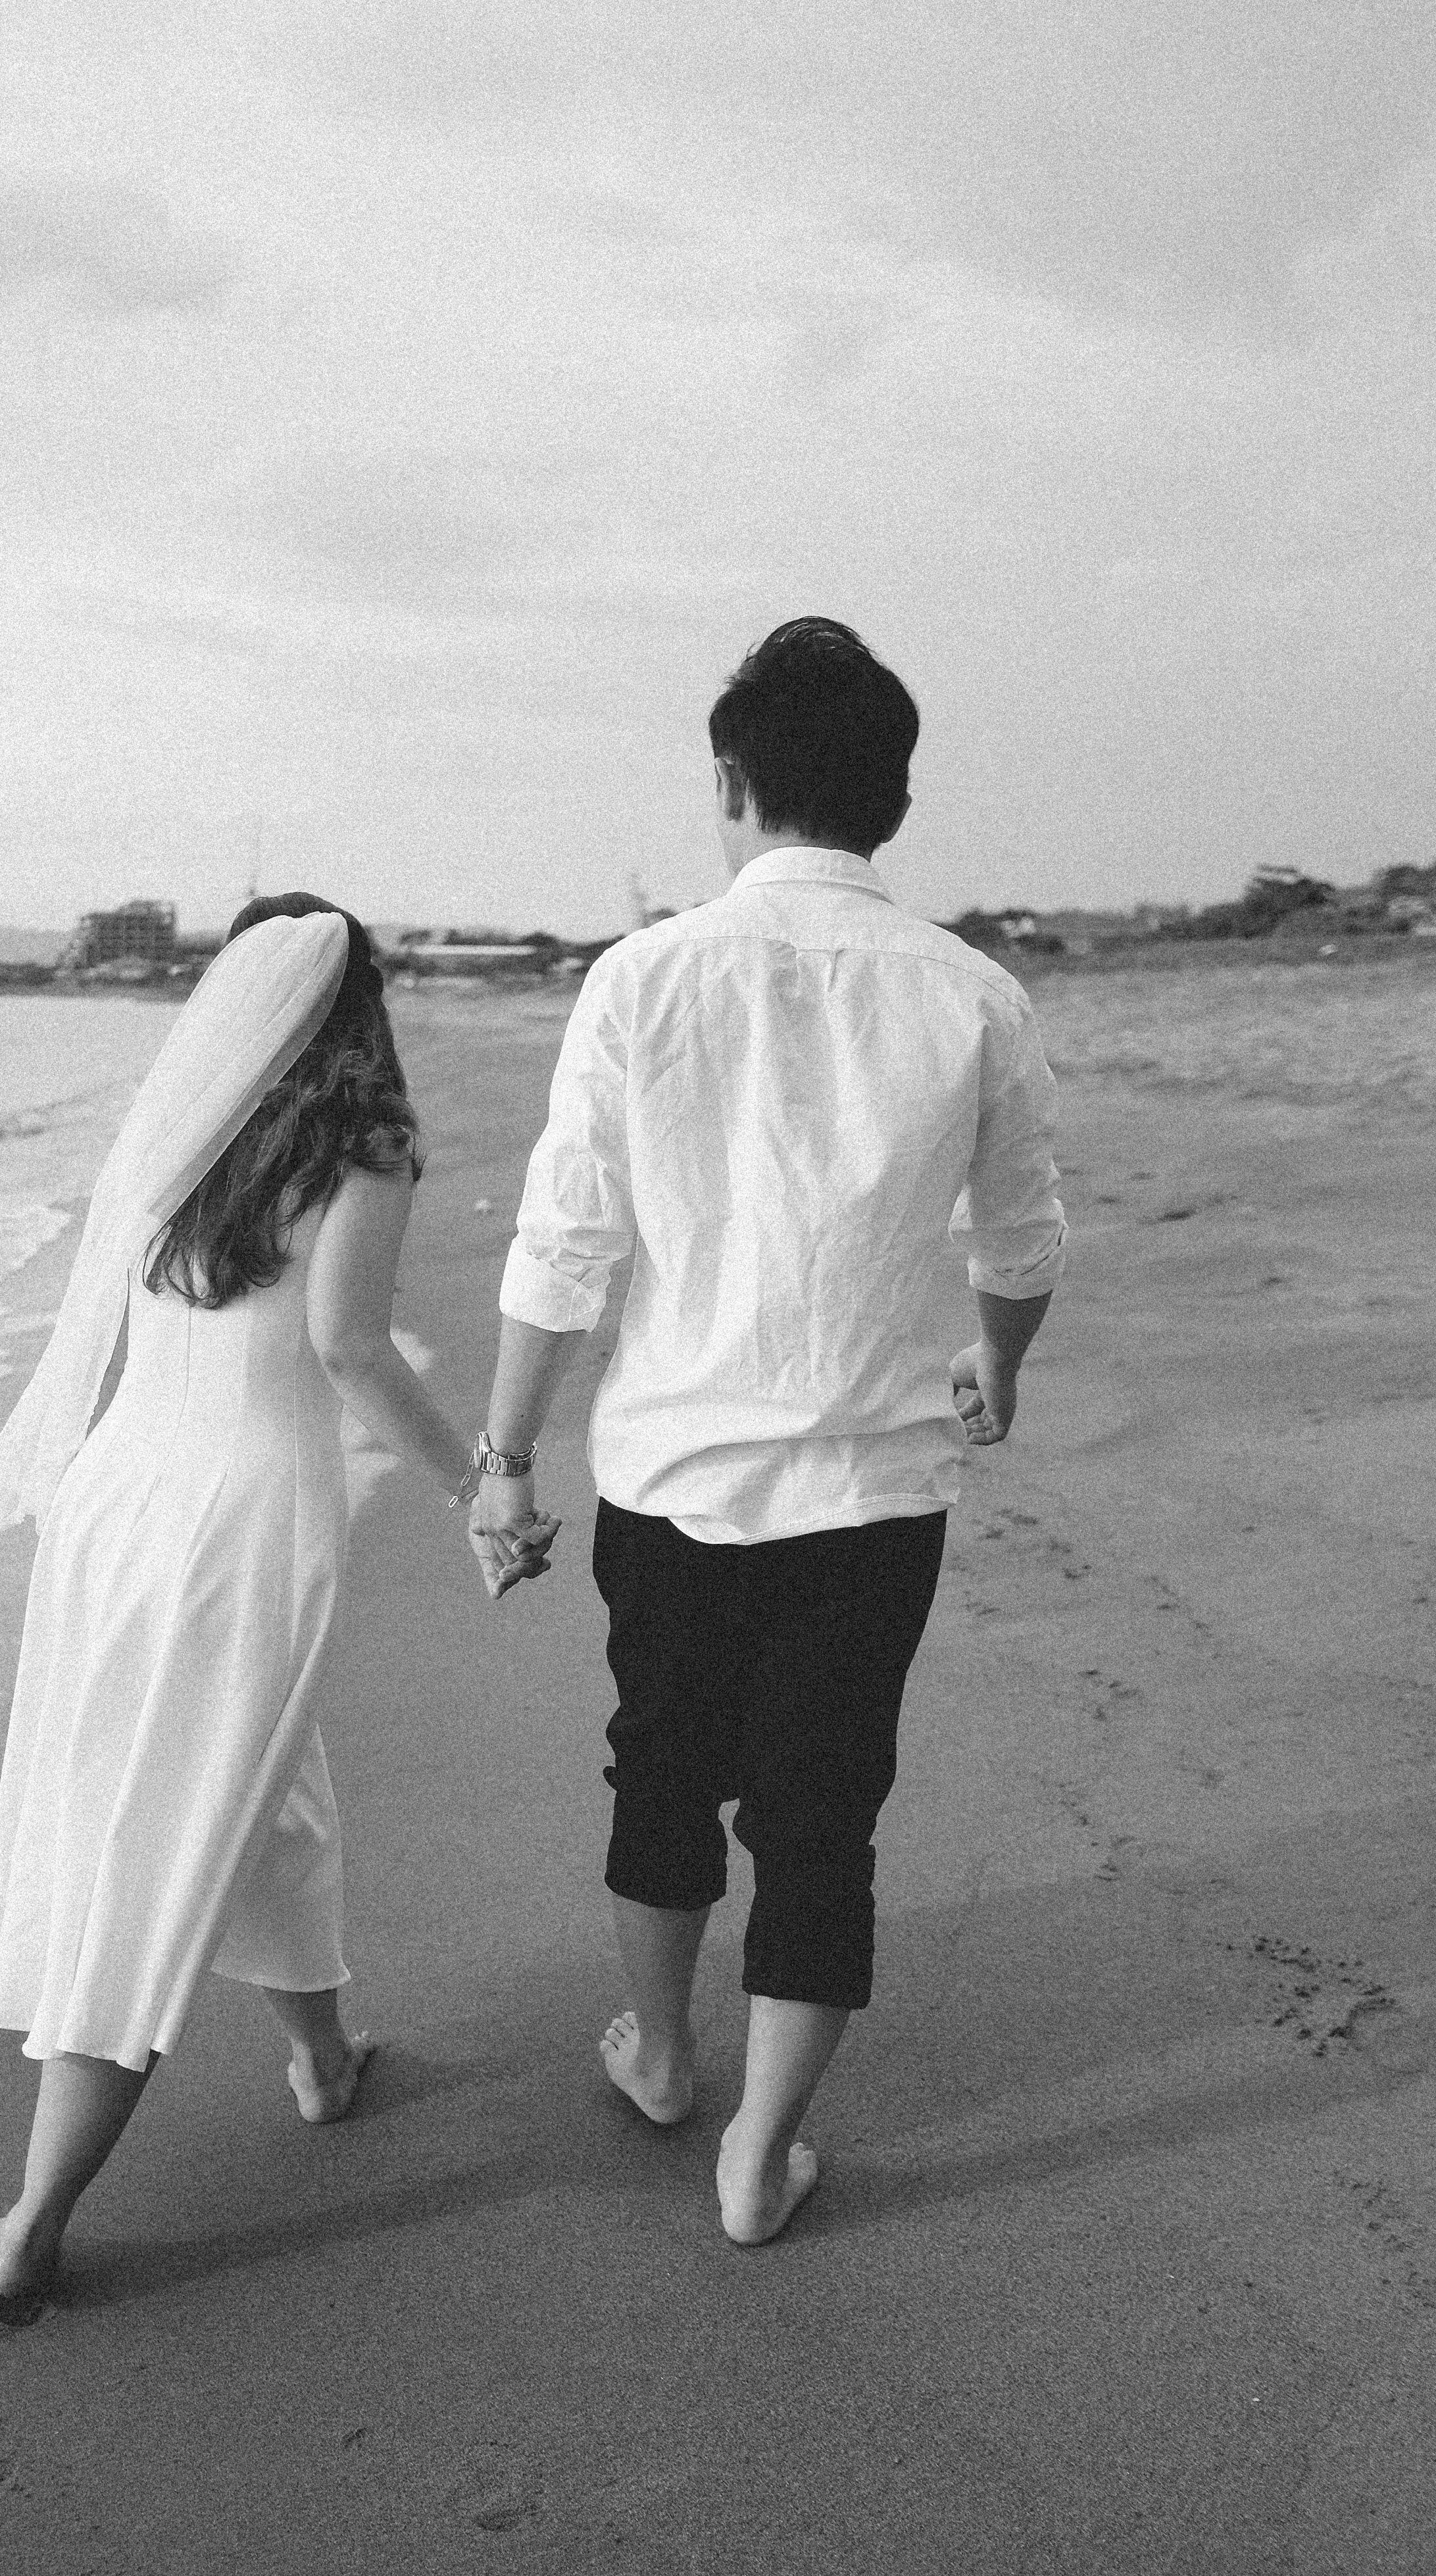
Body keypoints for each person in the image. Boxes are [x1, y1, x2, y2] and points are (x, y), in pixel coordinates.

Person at [468, 618, 1066, 2245]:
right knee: (821, 1813)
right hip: (871, 1488)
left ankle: (664, 2056)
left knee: (658, 1771)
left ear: (731, 785)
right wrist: (997, 1364)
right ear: (892, 801)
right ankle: (759, 2151)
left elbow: (564, 1245)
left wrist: (505, 1461)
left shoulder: (641, 976)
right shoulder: (973, 993)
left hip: (671, 1477)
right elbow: (1019, 1243)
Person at [0, 895, 555, 2324]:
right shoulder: (364, 1142)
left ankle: (322, 2057)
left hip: (117, 1505)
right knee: (161, 1839)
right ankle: (34, 2219)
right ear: (362, 1002)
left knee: (264, 1793)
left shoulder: (182, 1128)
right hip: (239, 1521)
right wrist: (477, 1484)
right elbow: (348, 1347)